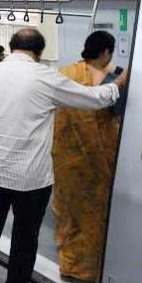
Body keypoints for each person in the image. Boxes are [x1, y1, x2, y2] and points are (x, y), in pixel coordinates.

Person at [0, 28, 128, 283]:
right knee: (25, 242)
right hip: (32, 180)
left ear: (11, 46)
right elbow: (92, 98)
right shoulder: (47, 78)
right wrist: (117, 84)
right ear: (38, 52)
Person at [52, 31, 124, 282]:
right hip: (96, 161)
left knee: (68, 214)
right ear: (105, 52)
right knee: (92, 217)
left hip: (65, 160)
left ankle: (68, 262)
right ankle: (84, 271)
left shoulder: (65, 74)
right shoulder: (112, 82)